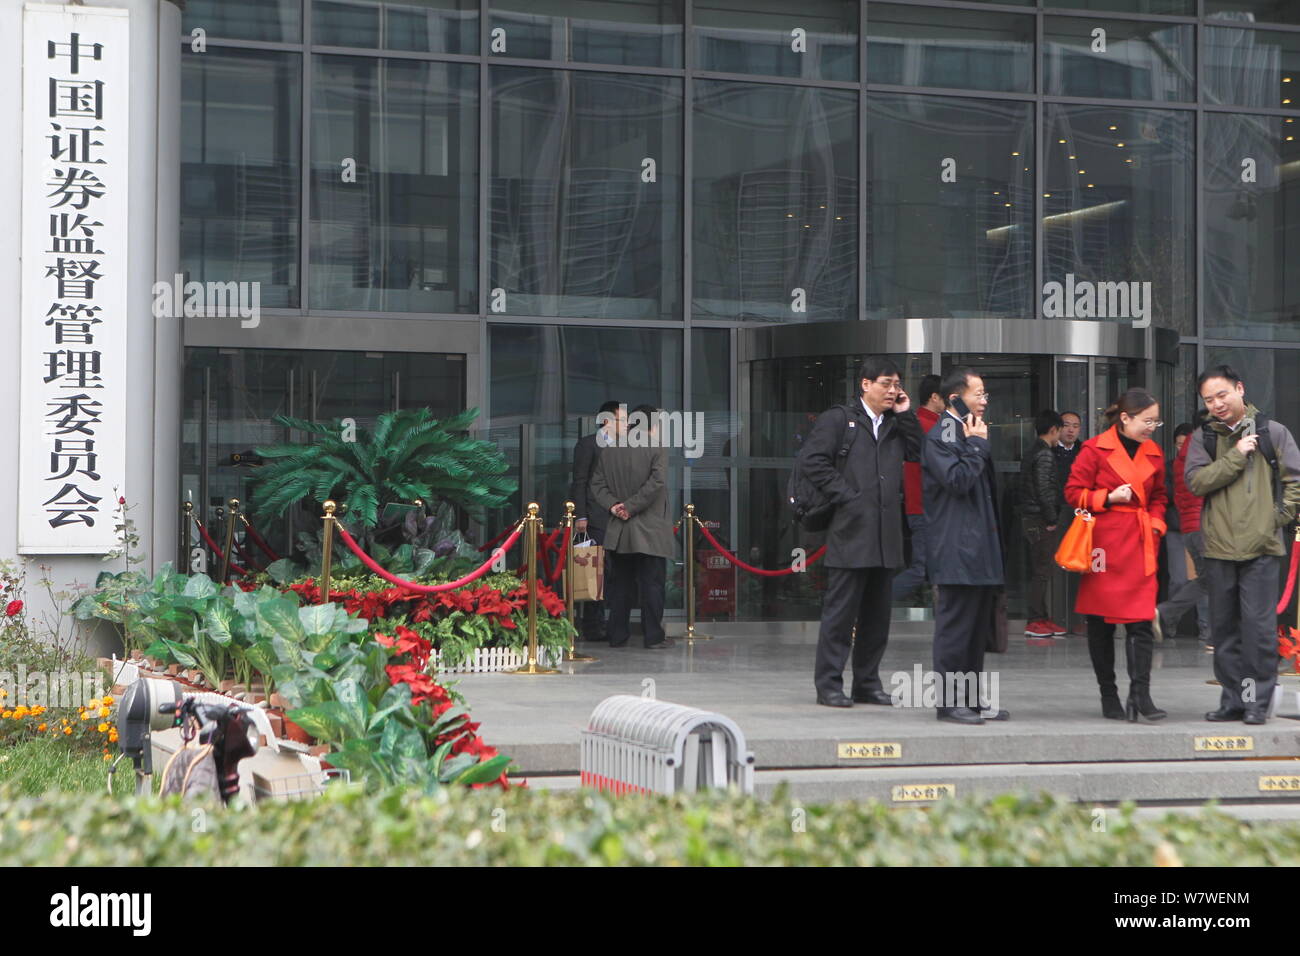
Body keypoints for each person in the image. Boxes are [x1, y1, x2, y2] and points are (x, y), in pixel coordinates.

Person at [1185, 365, 1300, 725]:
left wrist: (1275, 519)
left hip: (1262, 549)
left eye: (1222, 395)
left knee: (1258, 632)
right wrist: (1235, 455)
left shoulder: (1271, 432)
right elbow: (1197, 483)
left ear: (1239, 388)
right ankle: (1232, 700)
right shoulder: (1203, 438)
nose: (1217, 404)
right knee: (1225, 632)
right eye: (1209, 399)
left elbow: (1295, 481)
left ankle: (1254, 702)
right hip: (1218, 547)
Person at [805, 357, 922, 707]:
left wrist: (906, 414)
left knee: (877, 618)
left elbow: (919, 453)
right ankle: (828, 683)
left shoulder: (894, 423)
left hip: (886, 535)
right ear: (865, 384)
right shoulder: (840, 419)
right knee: (840, 615)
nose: (893, 390)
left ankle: (867, 683)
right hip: (851, 531)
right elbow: (812, 460)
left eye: (897, 384)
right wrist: (848, 497)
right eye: (886, 383)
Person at [1064, 389, 1168, 722]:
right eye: (1147, 420)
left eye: (1156, 421)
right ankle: (1108, 695)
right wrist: (1107, 497)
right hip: (1103, 545)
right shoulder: (1094, 449)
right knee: (1100, 624)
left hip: (1141, 544)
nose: (1152, 427)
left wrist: (1155, 525)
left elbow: (1160, 497)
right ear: (1125, 418)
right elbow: (1072, 493)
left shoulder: (1154, 453)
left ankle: (1141, 694)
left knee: (1140, 622)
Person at [924, 367, 1007, 725]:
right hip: (957, 547)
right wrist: (977, 447)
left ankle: (971, 700)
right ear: (956, 398)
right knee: (955, 629)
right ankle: (948, 703)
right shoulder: (943, 432)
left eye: (985, 394)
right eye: (979, 394)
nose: (985, 401)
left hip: (979, 548)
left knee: (975, 632)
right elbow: (957, 480)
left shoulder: (968, 429)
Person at [589, 404, 676, 650]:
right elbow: (656, 483)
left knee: (620, 587)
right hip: (649, 530)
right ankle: (653, 636)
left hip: (619, 530)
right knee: (652, 585)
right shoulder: (656, 448)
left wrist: (615, 507)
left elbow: (597, 485)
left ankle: (617, 635)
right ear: (653, 425)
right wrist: (631, 506)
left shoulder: (610, 450)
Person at [568, 400, 620, 643]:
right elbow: (579, 481)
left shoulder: (625, 445)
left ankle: (613, 623)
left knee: (616, 574)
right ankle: (592, 625)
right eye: (621, 419)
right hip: (595, 518)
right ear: (607, 420)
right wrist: (581, 515)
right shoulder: (588, 444)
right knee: (597, 572)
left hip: (619, 517)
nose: (627, 424)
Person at [1155, 422, 1211, 647]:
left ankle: (1209, 630)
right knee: (1205, 579)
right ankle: (1167, 617)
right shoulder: (1193, 461)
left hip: (1191, 526)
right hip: (1197, 527)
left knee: (1208, 579)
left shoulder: (1185, 462)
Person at [892, 374, 944, 604]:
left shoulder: (923, 423)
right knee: (922, 569)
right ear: (935, 397)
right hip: (927, 508)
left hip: (920, 506)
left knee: (934, 569)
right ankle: (873, 602)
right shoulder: (930, 427)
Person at [1020, 409, 1066, 639]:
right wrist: (1051, 519)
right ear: (1053, 430)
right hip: (1039, 519)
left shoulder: (1031, 451)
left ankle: (1042, 617)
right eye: (1060, 430)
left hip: (1030, 517)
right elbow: (1045, 490)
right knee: (1041, 571)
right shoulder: (1045, 455)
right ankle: (1036, 620)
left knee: (1040, 570)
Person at [1052, 411, 1085, 634]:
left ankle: (1077, 619)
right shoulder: (1049, 452)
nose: (1071, 430)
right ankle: (1056, 618)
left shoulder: (1085, 453)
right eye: (1066, 425)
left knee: (1079, 567)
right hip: (1055, 516)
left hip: (1079, 515)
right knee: (1056, 568)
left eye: (1075, 426)